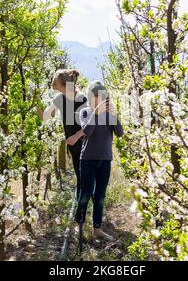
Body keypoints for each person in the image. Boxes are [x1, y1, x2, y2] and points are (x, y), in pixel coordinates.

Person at [67, 80, 124, 242]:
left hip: (105, 160)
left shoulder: (109, 114)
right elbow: (88, 132)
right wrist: (96, 112)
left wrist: (115, 116)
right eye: (97, 96)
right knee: (85, 193)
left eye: (103, 96)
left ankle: (97, 228)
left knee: (100, 196)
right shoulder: (85, 112)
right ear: (91, 97)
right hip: (87, 160)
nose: (100, 99)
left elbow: (120, 133)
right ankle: (79, 224)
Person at [37, 69, 88, 200]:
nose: (53, 85)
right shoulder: (59, 98)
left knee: (84, 177)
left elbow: (91, 125)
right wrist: (34, 103)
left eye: (56, 82)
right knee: (80, 176)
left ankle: (82, 212)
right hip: (73, 145)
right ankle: (82, 211)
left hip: (86, 142)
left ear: (64, 84)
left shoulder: (82, 99)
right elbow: (45, 117)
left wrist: (76, 135)